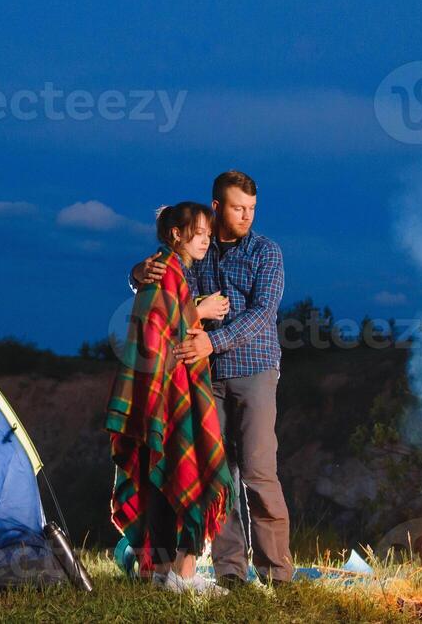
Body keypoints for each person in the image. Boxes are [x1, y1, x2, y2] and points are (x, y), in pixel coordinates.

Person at [130, 170, 293, 587]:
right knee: (218, 475)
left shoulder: (266, 252)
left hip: (254, 370)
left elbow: (262, 315)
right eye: (239, 208)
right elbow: (167, 286)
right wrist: (136, 274)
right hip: (204, 379)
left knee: (258, 471)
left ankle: (278, 574)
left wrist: (212, 342)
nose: (247, 216)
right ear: (218, 207)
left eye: (252, 209)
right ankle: (231, 573)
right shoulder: (198, 246)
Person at [106, 201, 233, 594]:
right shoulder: (164, 271)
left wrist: (193, 312)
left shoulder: (170, 270)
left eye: (209, 234)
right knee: (183, 469)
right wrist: (201, 312)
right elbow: (163, 334)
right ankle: (182, 573)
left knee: (160, 474)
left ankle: (164, 571)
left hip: (159, 394)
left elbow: (163, 327)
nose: (206, 239)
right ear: (176, 233)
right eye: (200, 232)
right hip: (172, 391)